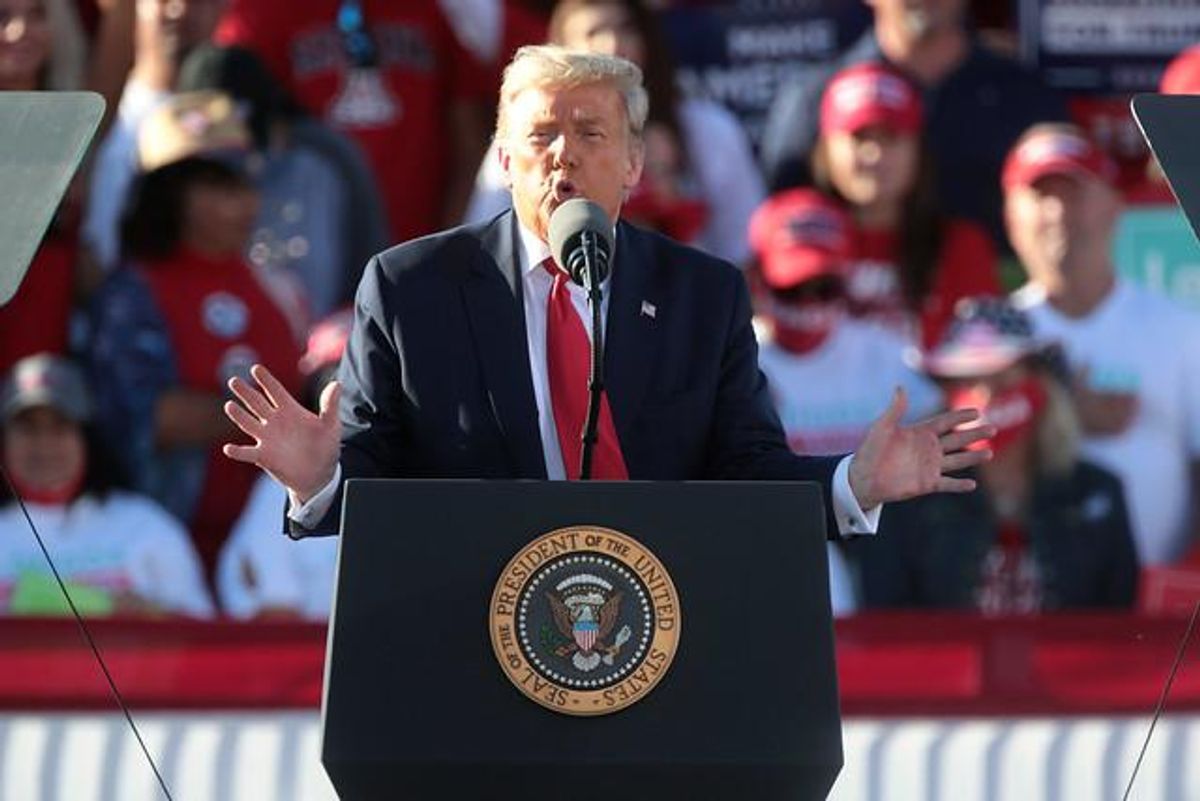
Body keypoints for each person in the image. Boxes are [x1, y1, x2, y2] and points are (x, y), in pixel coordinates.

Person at [221, 46, 993, 543]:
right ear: (503, 158)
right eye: (541, 136)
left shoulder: (703, 295)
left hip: (662, 633)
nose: (564, 157)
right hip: (472, 636)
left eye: (591, 135)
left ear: (632, 165)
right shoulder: (408, 290)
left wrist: (850, 484)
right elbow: (378, 482)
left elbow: (744, 470)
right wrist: (320, 477)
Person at [87, 90, 303, 584]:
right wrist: (283, 423)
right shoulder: (130, 293)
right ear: (170, 193)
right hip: (164, 558)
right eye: (218, 184)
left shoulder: (278, 285)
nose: (243, 201)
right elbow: (146, 418)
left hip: (274, 558)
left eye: (245, 182)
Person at [855, 298, 1138, 612]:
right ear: (947, 394)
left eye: (1003, 376)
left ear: (1040, 385)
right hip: (950, 662)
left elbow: (1120, 625)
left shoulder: (1097, 493)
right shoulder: (904, 502)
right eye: (969, 379)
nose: (987, 394)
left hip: (1069, 663)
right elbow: (886, 625)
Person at [1005, 124, 1200, 567]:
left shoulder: (1183, 328)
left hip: (1162, 610)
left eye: (1074, 192)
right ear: (1010, 216)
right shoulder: (991, 339)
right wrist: (1063, 413)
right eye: (1040, 195)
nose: (1057, 212)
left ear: (1114, 204)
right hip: (1032, 603)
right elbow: (967, 468)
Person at [747, 188, 943, 613]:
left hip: (887, 559)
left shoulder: (886, 356)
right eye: (792, 290)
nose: (810, 304)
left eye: (825, 287)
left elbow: (935, 444)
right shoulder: (739, 363)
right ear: (759, 280)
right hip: (780, 561)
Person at [467, 0, 765, 266]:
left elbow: (743, 250)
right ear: (561, 49)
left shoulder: (707, 129)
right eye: (594, 32)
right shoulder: (524, 138)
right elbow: (484, 248)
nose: (613, 44)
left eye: (626, 29)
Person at [759, 0, 1066, 251]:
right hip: (848, 312)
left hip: (994, 313)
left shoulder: (1024, 98)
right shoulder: (814, 99)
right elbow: (780, 225)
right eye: (864, 137)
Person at [212, 0, 493, 245]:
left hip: (419, 248)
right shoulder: (261, 10)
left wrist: (448, 243)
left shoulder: (445, 9)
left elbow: (471, 138)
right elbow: (236, 135)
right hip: (313, 248)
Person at [0, 354, 214, 618]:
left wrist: (147, 614)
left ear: (87, 437)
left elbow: (201, 635)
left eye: (60, 427)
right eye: (28, 429)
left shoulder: (145, 523)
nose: (44, 445)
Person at [810, 62, 999, 348]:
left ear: (918, 149)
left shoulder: (961, 248)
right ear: (826, 148)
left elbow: (988, 366)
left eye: (891, 138)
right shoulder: (793, 243)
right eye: (859, 137)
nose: (874, 154)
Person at [217, 311, 346, 621]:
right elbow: (275, 617)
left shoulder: (423, 470)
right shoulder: (280, 484)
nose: (348, 396)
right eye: (337, 379)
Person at [0, 0, 89, 373]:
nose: (21, 30)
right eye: (1, 17)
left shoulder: (73, 128)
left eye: (37, 14)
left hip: (49, 372)